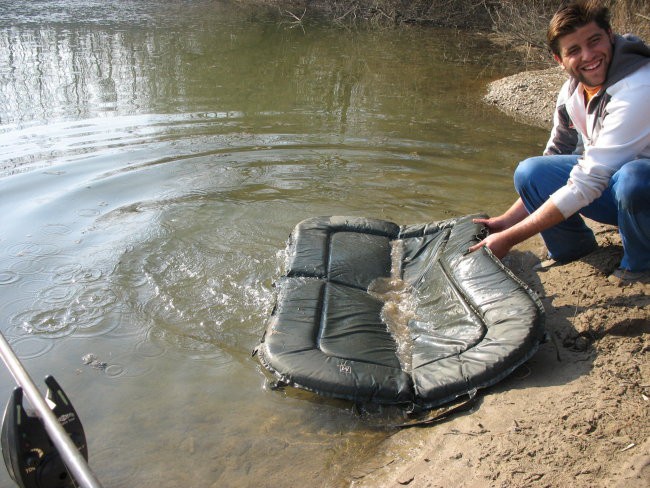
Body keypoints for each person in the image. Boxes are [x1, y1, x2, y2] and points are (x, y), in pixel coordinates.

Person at [469, 0, 650, 283]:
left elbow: (588, 181)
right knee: (531, 171)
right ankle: (573, 251)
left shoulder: (639, 86)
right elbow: (554, 158)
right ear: (559, 59)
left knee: (634, 177)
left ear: (610, 36)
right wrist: (506, 221)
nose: (589, 55)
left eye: (595, 41)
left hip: (639, 190)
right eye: (574, 50)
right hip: (619, 194)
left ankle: (640, 265)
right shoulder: (571, 92)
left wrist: (510, 238)